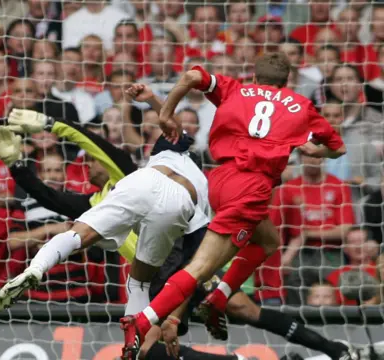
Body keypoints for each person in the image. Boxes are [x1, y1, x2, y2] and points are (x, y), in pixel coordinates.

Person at [120, 52, 346, 357]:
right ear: (286, 82)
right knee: (200, 267)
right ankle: (143, 321)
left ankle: (219, 297)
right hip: (251, 188)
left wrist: (165, 113)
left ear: (254, 77)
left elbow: (190, 76)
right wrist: (316, 152)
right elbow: (338, 148)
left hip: (220, 179)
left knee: (268, 240)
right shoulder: (301, 106)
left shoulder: (236, 89)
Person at [0, 107, 211, 319]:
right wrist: (16, 165)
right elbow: (49, 197)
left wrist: (50, 123)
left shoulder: (125, 173)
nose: (88, 164)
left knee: (214, 307)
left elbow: (90, 140)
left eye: (93, 160)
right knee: (158, 337)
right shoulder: (95, 202)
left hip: (179, 254)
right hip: (154, 275)